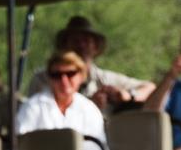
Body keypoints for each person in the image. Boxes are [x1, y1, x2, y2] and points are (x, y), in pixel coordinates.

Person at [18, 51, 130, 150]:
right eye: (57, 75)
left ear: (81, 76)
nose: (64, 80)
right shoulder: (33, 106)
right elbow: (21, 146)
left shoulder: (89, 108)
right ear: (49, 78)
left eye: (70, 74)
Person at [27, 16, 155, 113]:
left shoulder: (103, 78)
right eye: (76, 41)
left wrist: (126, 95)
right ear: (65, 46)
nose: (81, 46)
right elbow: (41, 114)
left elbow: (151, 88)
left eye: (86, 41)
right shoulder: (44, 78)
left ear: (95, 47)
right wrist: (89, 106)